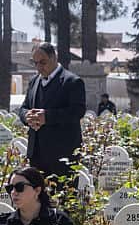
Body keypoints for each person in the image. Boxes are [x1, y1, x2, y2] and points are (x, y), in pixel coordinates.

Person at [17, 42, 87, 178]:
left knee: (63, 197)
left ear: (54, 57)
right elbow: (24, 107)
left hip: (63, 155)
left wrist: (47, 117)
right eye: (35, 63)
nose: (38, 67)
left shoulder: (72, 82)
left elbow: (77, 111)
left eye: (42, 62)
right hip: (36, 154)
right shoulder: (34, 82)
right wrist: (27, 116)